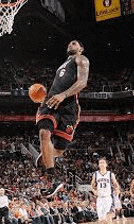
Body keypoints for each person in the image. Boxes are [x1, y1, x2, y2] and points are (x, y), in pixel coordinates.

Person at [36, 40, 90, 198]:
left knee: (59, 149)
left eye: (74, 43)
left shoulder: (81, 59)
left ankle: (50, 154)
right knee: (44, 133)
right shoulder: (62, 64)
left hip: (69, 107)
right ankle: (52, 179)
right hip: (51, 102)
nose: (70, 45)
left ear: (81, 48)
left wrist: (63, 95)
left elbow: (82, 82)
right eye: (69, 44)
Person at [91, 157, 120, 224]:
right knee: (101, 220)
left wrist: (117, 189)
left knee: (108, 217)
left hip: (108, 198)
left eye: (103, 162)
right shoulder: (95, 174)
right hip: (99, 198)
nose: (102, 164)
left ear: (106, 164)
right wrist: (94, 191)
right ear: (98, 165)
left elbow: (115, 184)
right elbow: (92, 186)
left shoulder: (110, 174)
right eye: (100, 163)